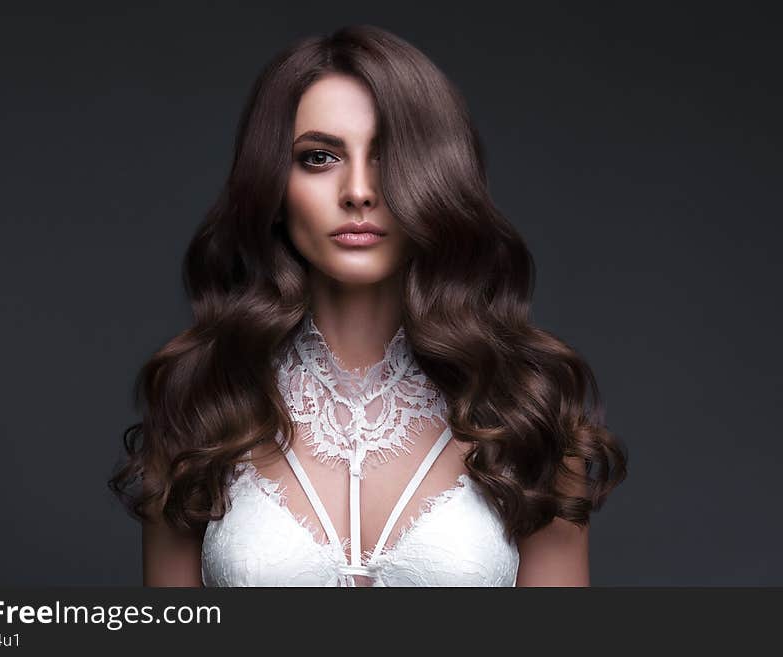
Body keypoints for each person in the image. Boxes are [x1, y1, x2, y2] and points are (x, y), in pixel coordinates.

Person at [109, 24, 628, 587]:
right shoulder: (200, 397)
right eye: (319, 157)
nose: (358, 190)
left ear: (438, 179)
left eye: (389, 156)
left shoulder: (528, 406)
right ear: (272, 188)